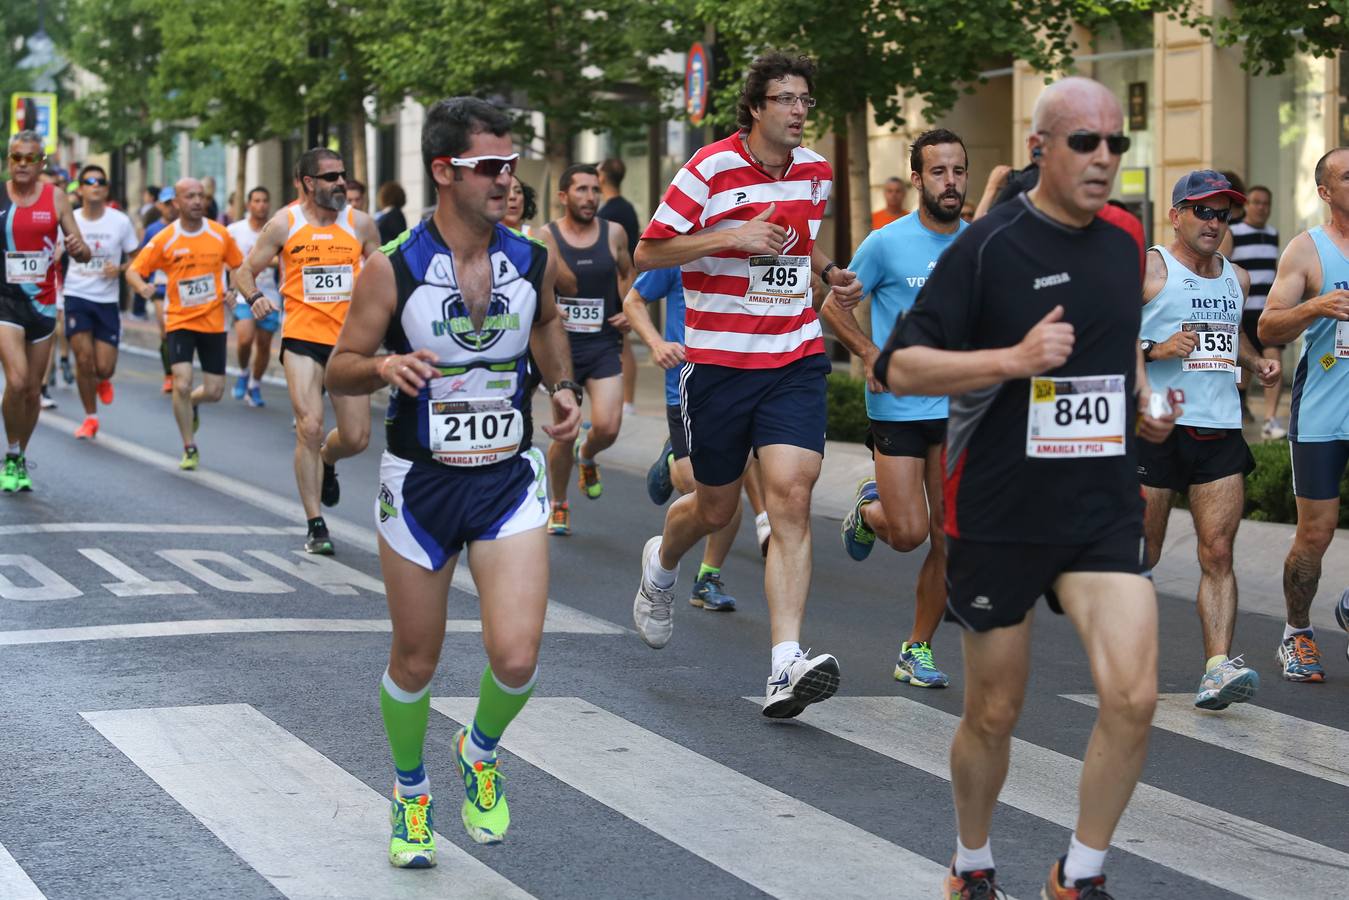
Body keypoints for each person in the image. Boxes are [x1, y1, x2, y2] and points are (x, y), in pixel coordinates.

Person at [873, 77, 1177, 898]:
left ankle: (1078, 875)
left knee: (1134, 695)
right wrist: (1010, 361)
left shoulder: (1123, 240)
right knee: (994, 714)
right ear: (1041, 148)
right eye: (1086, 142)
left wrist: (1143, 405)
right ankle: (971, 861)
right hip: (999, 509)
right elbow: (898, 364)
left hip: (1098, 509)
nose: (1105, 158)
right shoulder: (988, 246)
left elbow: (1118, 348)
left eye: (1117, 142)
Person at [326, 96, 580, 869]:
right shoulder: (392, 266)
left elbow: (545, 319)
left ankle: (480, 749)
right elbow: (339, 362)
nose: (508, 179)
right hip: (422, 485)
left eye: (511, 164)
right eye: (490, 167)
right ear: (445, 171)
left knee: (515, 656)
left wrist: (562, 385)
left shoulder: (529, 256)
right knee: (416, 660)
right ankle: (410, 795)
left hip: (506, 480)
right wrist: (380, 365)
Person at [633, 51, 863, 718]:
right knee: (714, 510)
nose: (798, 112)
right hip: (718, 366)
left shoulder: (816, 173)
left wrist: (828, 273)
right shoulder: (707, 169)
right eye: (786, 100)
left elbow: (798, 244)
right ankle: (660, 563)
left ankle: (784, 664)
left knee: (790, 496)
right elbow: (648, 252)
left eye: (804, 101)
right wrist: (728, 236)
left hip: (792, 359)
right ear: (756, 107)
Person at [822, 128, 969, 689]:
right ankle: (868, 510)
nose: (950, 182)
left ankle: (917, 647)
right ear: (917, 180)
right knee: (908, 534)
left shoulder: (978, 243)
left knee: (950, 537)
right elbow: (832, 308)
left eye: (958, 171)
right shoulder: (886, 242)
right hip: (899, 408)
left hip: (959, 410)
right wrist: (868, 352)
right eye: (939, 172)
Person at [1138, 170, 1280, 711]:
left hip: (1218, 429)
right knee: (1143, 552)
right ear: (1176, 215)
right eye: (1204, 211)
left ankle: (1217, 667)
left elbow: (1232, 333)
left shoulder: (1236, 279)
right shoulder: (1150, 268)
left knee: (1218, 551)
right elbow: (1106, 334)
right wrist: (1154, 347)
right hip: (1157, 428)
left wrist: (1257, 361)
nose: (1214, 223)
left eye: (1223, 214)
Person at [234, 148, 380, 555]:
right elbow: (244, 270)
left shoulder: (361, 224)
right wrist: (254, 296)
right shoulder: (284, 224)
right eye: (331, 177)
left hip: (349, 342)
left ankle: (328, 460)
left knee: (357, 438)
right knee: (309, 425)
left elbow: (384, 275)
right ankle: (316, 523)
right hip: (301, 337)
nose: (340, 184)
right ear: (306, 182)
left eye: (343, 175)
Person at [1257, 146, 1349, 683]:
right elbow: (1268, 327)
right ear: (1324, 192)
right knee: (1316, 534)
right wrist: (1315, 306)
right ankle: (1297, 633)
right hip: (1321, 418)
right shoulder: (1307, 250)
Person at [626, 266, 741, 611]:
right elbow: (633, 300)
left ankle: (708, 576)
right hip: (687, 386)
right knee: (696, 483)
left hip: (742, 384)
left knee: (729, 482)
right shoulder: (682, 250)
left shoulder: (758, 248)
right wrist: (656, 343)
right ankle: (672, 460)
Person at [540, 163, 634, 535]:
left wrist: (630, 306)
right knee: (564, 430)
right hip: (561, 349)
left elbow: (628, 273)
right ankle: (559, 504)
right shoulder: (545, 236)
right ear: (563, 196)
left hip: (601, 343)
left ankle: (589, 453)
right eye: (580, 190)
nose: (590, 197)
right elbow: (541, 284)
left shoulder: (614, 233)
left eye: (594, 190)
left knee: (609, 427)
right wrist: (551, 306)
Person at [127, 178, 243, 471]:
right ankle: (189, 446)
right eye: (189, 196)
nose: (196, 201)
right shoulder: (165, 238)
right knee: (181, 381)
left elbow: (239, 266)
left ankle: (192, 402)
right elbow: (134, 271)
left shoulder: (220, 234)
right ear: (176, 202)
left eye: (200, 196)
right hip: (179, 319)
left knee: (215, 391)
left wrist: (234, 290)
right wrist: (142, 289)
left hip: (214, 321)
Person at [0, 131, 91, 493]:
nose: (22, 164)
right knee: (17, 381)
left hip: (43, 302)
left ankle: (21, 455)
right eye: (15, 158)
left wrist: (77, 247)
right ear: (9, 160)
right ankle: (8, 453)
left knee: (34, 390)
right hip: (5, 301)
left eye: (29, 159)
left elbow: (81, 251)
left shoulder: (56, 199)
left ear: (41, 164)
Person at [64, 164, 140, 439]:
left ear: (106, 189)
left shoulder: (119, 221)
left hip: (107, 300)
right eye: (89, 181)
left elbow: (136, 259)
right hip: (76, 294)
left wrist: (118, 270)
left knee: (104, 367)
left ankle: (104, 380)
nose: (95, 185)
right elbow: (52, 253)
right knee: (84, 360)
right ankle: (90, 417)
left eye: (100, 182)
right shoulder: (70, 219)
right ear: (81, 188)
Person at [1230, 184, 1286, 437]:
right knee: (1245, 366)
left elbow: (1276, 270)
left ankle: (1270, 419)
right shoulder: (1233, 232)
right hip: (1243, 312)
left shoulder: (1273, 234)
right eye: (1257, 202)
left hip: (1269, 312)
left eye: (1266, 203)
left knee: (1274, 358)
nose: (1262, 208)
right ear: (1247, 205)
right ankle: (1240, 405)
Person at [227, 187, 281, 407]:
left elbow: (284, 259)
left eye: (265, 200)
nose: (261, 205)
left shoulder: (277, 229)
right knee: (245, 338)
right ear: (249, 204)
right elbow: (228, 260)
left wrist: (260, 261)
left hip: (269, 293)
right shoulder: (235, 230)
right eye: (256, 200)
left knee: (264, 345)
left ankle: (255, 384)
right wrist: (230, 288)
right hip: (243, 293)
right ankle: (243, 371)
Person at [597, 157, 642, 416]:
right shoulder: (624, 208)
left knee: (621, 340)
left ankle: (627, 402)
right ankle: (627, 402)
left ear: (602, 178)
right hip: (620, 282)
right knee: (621, 341)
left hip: (616, 283)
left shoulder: (610, 212)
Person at [502, 173, 538, 238]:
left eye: (518, 191)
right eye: (504, 191)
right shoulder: (481, 239)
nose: (512, 196)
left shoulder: (539, 238)